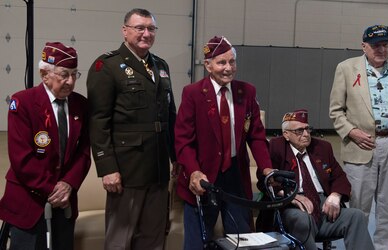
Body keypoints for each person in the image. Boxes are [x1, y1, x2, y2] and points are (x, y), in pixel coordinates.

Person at [86, 8, 177, 250]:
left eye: (151, 29)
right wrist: (107, 168)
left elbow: (170, 116)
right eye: (140, 28)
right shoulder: (106, 66)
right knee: (120, 238)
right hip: (127, 170)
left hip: (158, 168)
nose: (146, 33)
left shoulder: (161, 66)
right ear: (125, 31)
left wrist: (176, 158)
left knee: (154, 237)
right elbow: (98, 121)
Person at [175, 36, 273, 249]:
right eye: (221, 62)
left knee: (242, 241)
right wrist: (193, 171)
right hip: (203, 178)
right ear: (208, 65)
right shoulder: (192, 94)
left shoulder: (246, 92)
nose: (228, 68)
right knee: (197, 244)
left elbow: (256, 136)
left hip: (235, 179)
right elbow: (183, 141)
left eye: (232, 62)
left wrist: (266, 168)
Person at [329, 24, 388, 250]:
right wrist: (351, 131)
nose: (381, 49)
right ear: (364, 46)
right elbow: (336, 111)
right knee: (358, 208)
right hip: (361, 146)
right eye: (375, 45)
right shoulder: (346, 69)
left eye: (385, 45)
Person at [0, 42, 91, 250]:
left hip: (65, 205)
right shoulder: (23, 102)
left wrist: (69, 183)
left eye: (74, 74)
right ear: (44, 74)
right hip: (28, 204)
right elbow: (21, 158)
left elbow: (84, 151)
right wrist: (52, 190)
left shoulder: (80, 105)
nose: (69, 81)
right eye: (63, 74)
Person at [256, 110, 374, 250]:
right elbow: (264, 180)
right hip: (291, 207)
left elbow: (339, 177)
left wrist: (335, 196)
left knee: (356, 216)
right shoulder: (276, 147)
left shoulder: (322, 148)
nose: (306, 134)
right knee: (302, 220)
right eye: (299, 131)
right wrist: (290, 196)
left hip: (323, 207)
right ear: (286, 134)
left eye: (307, 129)